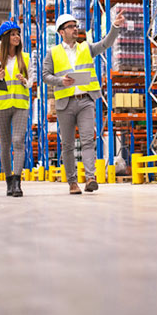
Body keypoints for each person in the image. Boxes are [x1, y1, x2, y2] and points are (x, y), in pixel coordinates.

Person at [42, 11, 125, 195]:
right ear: (61, 32)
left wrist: (115, 27)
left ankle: (90, 178)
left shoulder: (85, 48)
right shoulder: (53, 53)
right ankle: (72, 182)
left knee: (88, 140)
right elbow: (45, 75)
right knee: (68, 145)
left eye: (76, 26)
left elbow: (105, 44)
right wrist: (60, 80)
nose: (75, 29)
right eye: (71, 27)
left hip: (86, 101)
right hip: (65, 104)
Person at [0, 19, 34, 197]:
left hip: (21, 105)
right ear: (5, 38)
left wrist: (25, 81)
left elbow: (31, 84)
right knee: (5, 145)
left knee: (18, 141)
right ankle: (8, 182)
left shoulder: (27, 58)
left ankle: (17, 182)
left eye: (18, 34)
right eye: (13, 34)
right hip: (1, 106)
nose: (17, 37)